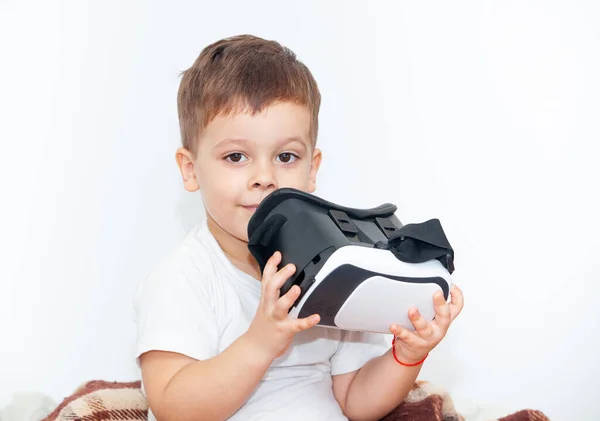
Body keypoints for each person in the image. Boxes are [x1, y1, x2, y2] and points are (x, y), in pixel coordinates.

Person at [133, 34, 464, 421]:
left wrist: (407, 355)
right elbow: (173, 407)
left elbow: (356, 402)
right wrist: (260, 342)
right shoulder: (182, 280)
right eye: (236, 156)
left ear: (312, 170)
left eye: (286, 156)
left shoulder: (332, 272)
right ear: (191, 170)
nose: (264, 176)